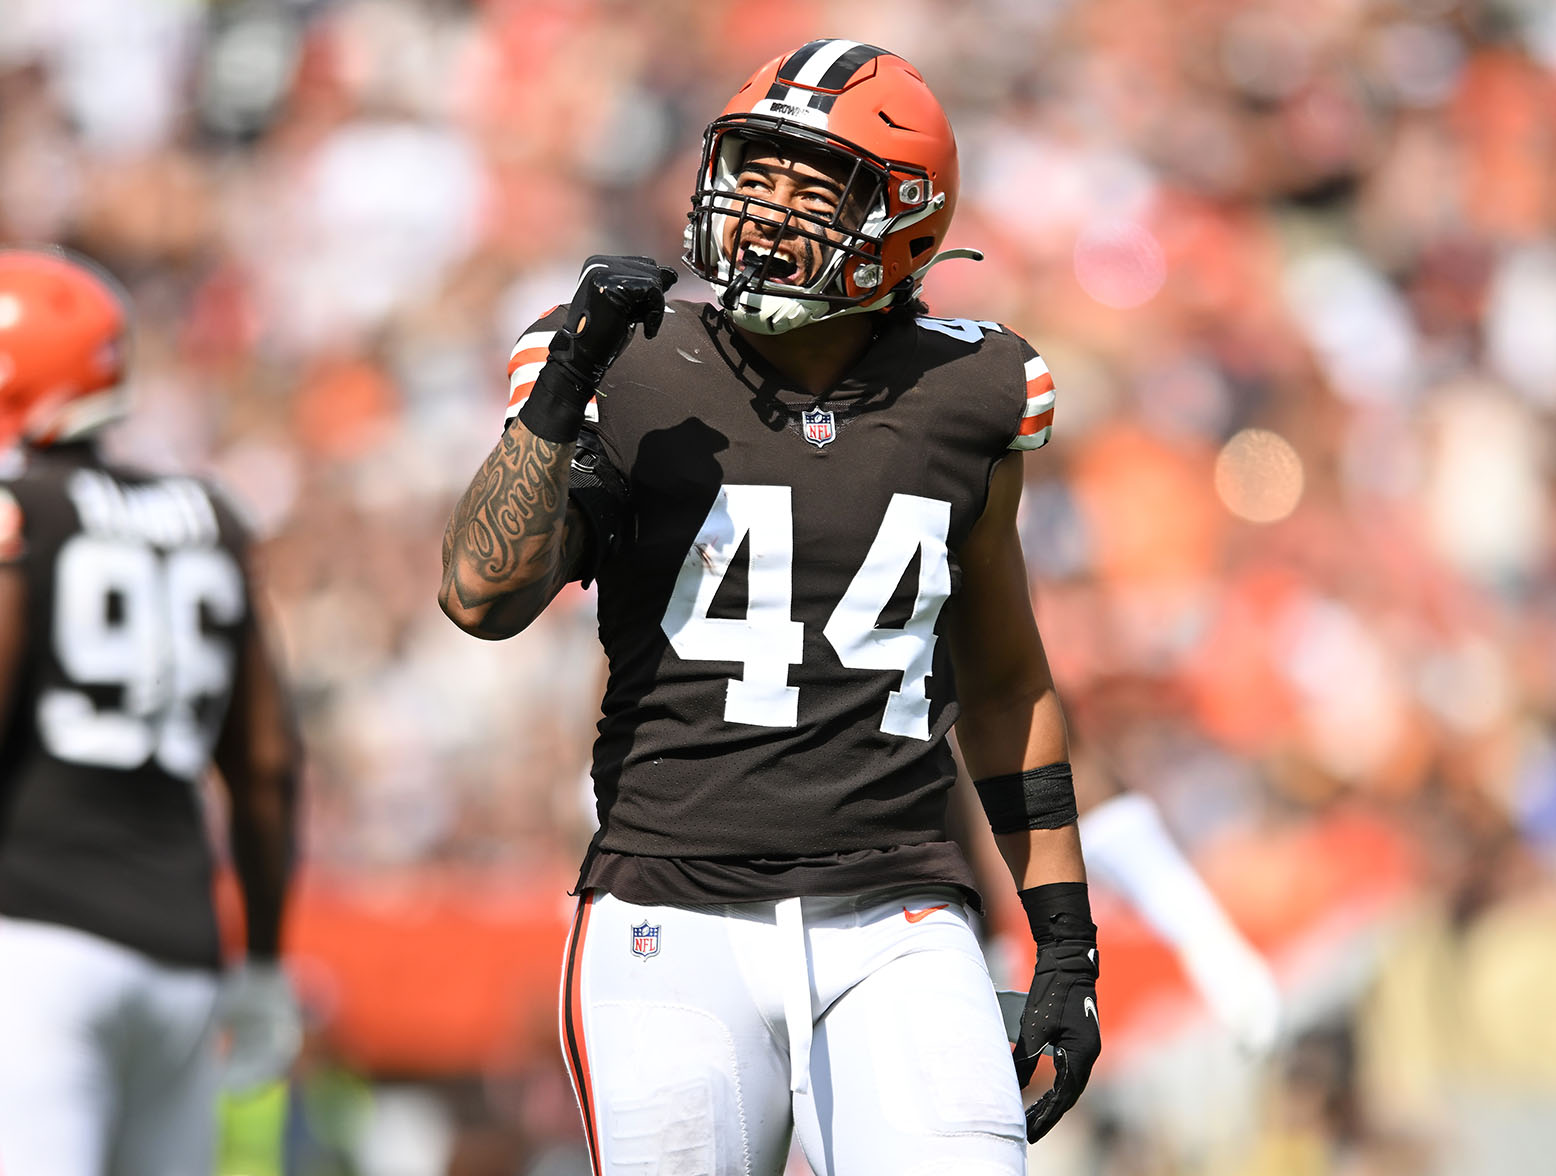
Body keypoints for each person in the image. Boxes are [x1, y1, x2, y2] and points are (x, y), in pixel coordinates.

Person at [441, 40, 1100, 1173]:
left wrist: (1063, 943)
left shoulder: (971, 391)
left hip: (895, 912)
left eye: (810, 184)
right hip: (669, 916)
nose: (764, 210)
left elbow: (1003, 679)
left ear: (900, 216)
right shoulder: (632, 366)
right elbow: (480, 597)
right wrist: (557, 397)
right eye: (751, 171)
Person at [0, 247, 303, 1176]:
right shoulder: (209, 513)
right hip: (181, 951)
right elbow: (265, 765)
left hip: (34, 933)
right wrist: (262, 957)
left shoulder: (23, 511)